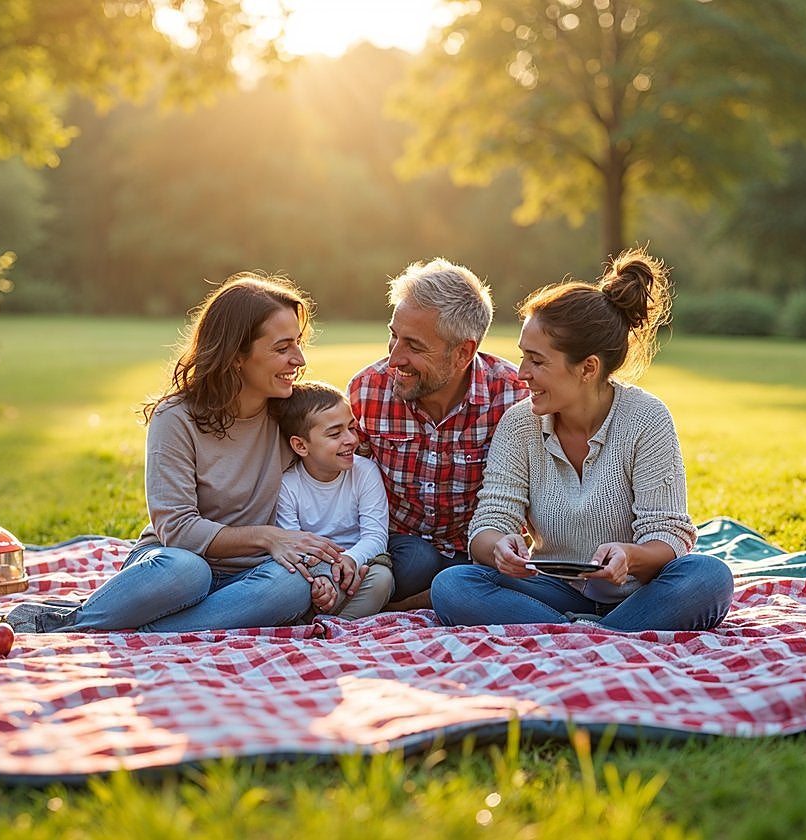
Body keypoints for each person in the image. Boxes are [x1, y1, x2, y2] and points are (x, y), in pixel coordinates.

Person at [8, 272, 345, 633]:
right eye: (282, 348)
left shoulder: (293, 417)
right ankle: (75, 620)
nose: (299, 359)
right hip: (174, 565)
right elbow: (177, 529)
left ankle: (147, 628)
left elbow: (346, 457)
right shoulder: (177, 418)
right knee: (189, 572)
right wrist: (266, 536)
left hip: (252, 575)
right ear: (236, 356)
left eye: (298, 344)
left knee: (292, 587)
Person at [430, 248, 735, 632]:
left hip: (637, 592)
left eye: (537, 361)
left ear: (588, 368)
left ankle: (569, 633)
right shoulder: (519, 424)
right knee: (452, 585)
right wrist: (498, 549)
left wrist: (629, 555)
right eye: (523, 357)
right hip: (552, 589)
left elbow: (668, 536)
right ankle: (605, 634)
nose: (522, 373)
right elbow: (489, 523)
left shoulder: (647, 419)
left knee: (708, 575)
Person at [348, 259, 528, 610]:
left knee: (487, 578)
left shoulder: (514, 398)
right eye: (393, 335)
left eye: (413, 346)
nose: (394, 358)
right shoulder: (366, 391)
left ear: (464, 352)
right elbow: (347, 494)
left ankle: (419, 604)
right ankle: (421, 603)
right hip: (402, 554)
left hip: (479, 556)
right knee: (419, 560)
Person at [271, 381, 394, 620]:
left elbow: (376, 536)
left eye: (351, 428)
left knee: (382, 579)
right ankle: (318, 612)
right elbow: (292, 543)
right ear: (300, 445)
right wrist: (321, 575)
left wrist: (351, 559)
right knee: (289, 582)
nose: (350, 439)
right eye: (335, 434)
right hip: (309, 571)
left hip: (356, 565)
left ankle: (331, 625)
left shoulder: (365, 472)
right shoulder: (287, 484)